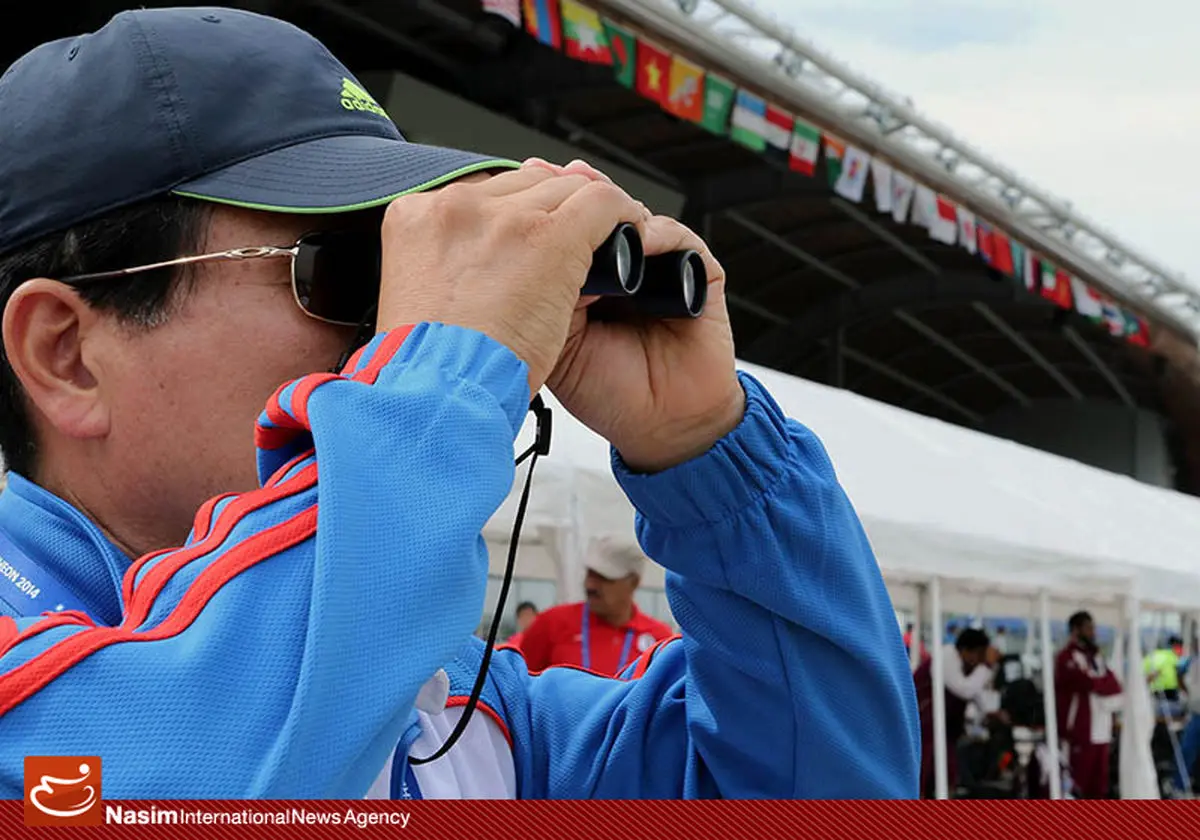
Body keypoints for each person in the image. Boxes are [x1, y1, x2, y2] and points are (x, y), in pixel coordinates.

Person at [0, 8, 919, 799]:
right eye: (349, 272)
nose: (396, 321)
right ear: (67, 355)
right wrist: (439, 374)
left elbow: (822, 787)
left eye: (417, 265)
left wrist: (710, 458)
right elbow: (212, 770)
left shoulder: (464, 721)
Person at [516, 538, 673, 675]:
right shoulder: (551, 623)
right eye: (589, 574)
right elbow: (518, 685)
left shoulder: (660, 638)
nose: (590, 585)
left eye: (604, 577)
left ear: (633, 582)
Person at [913, 628, 999, 798]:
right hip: (925, 725)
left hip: (945, 729)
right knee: (925, 769)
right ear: (966, 651)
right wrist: (987, 666)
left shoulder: (966, 665)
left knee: (947, 771)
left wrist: (990, 713)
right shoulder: (946, 656)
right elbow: (965, 689)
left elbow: (976, 693)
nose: (980, 661)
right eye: (979, 655)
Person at [1055, 611, 1122, 799]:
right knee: (1076, 785)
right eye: (1089, 628)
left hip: (1102, 730)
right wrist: (1100, 683)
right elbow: (1085, 682)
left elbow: (1114, 684)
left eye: (1094, 628)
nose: (1094, 633)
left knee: (1099, 786)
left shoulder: (1097, 658)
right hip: (1079, 731)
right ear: (1076, 630)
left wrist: (1098, 683)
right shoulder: (1066, 657)